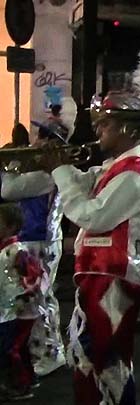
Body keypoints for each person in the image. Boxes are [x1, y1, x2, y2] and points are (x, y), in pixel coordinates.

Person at [41, 49, 140, 404]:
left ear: (125, 127)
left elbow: (91, 216)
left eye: (103, 125)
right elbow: (81, 182)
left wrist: (59, 171)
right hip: (98, 275)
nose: (96, 131)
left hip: (114, 279)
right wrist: (58, 167)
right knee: (90, 358)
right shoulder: (115, 167)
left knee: (106, 361)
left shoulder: (133, 176)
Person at [1, 106, 77, 377]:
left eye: (44, 136)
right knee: (41, 299)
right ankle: (48, 351)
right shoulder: (43, 172)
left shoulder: (45, 175)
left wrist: (9, 165)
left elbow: (8, 189)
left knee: (38, 300)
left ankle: (49, 353)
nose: (37, 141)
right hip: (40, 240)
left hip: (39, 241)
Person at [0, 203, 44, 401]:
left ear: (10, 226)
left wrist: (22, 299)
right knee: (19, 346)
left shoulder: (16, 251)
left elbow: (32, 277)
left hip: (16, 309)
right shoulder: (6, 250)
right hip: (8, 307)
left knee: (10, 348)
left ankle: (19, 384)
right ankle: (28, 377)